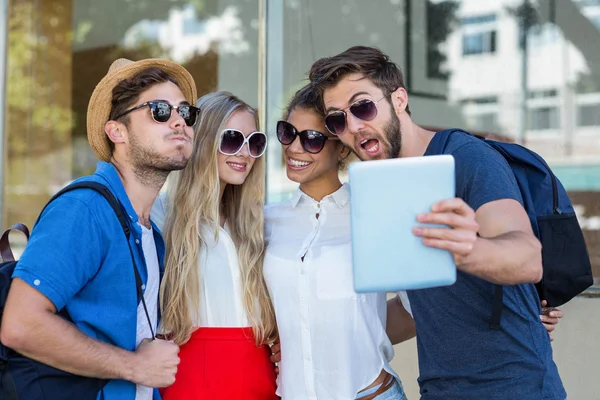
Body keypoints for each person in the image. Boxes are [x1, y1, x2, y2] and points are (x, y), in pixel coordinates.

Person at [307, 46, 566, 400]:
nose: (352, 126)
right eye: (338, 119)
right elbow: (415, 313)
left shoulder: (468, 157)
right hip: (439, 389)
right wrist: (312, 338)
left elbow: (526, 256)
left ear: (399, 100)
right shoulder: (387, 183)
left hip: (514, 386)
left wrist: (468, 250)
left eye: (362, 106)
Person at [1, 58, 199, 399]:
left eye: (186, 111)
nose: (179, 119)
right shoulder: (85, 210)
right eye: (160, 110)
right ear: (117, 131)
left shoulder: (151, 231)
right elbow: (20, 325)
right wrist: (134, 366)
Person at [264, 84, 415, 400]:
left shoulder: (372, 212)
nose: (294, 147)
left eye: (313, 139)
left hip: (370, 393)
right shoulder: (266, 222)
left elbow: (416, 308)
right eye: (288, 132)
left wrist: (355, 336)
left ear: (342, 148)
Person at [151, 91, 278, 399]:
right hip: (191, 380)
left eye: (254, 142)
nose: (245, 153)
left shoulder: (258, 223)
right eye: (232, 139)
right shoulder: (160, 216)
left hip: (260, 380)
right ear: (204, 140)